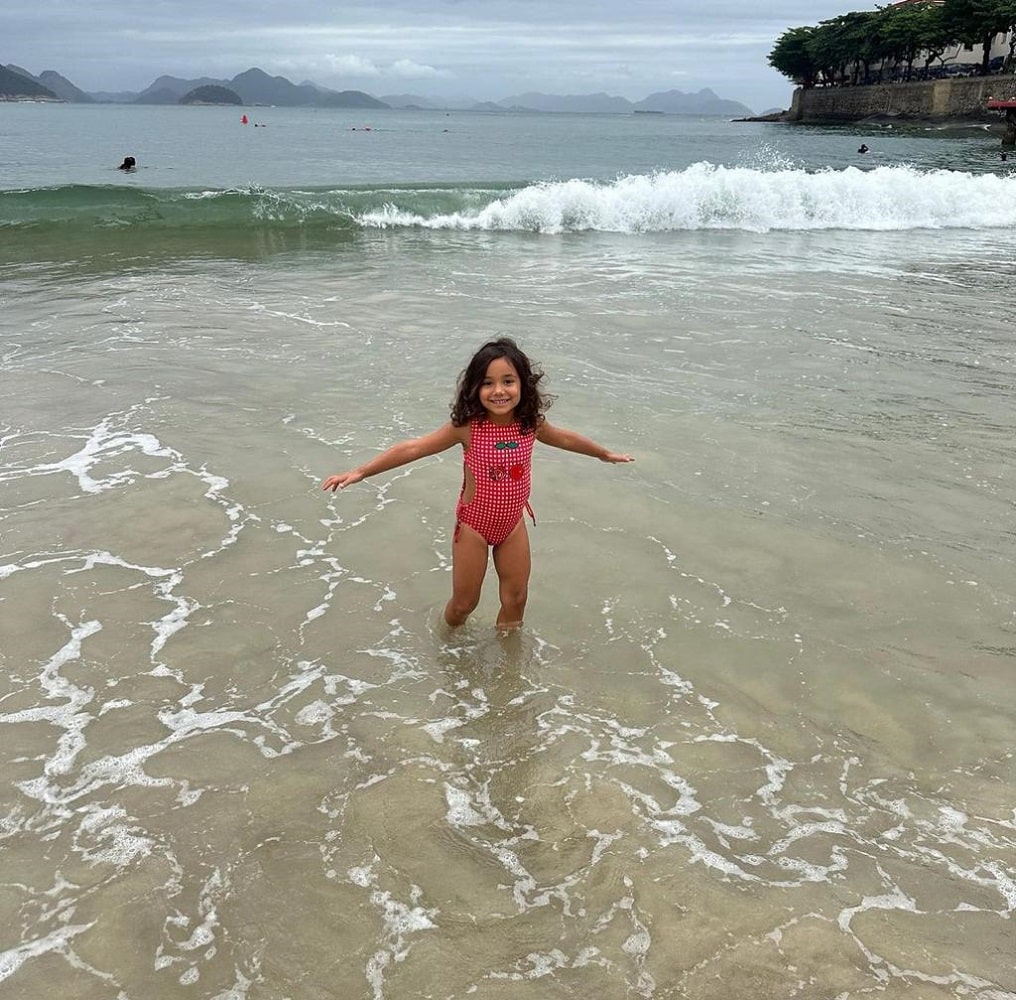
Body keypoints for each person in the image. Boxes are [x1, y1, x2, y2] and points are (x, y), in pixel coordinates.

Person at [322, 337, 633, 631]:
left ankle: (507, 670)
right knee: (463, 604)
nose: (499, 391)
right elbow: (414, 448)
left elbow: (564, 437)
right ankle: (449, 648)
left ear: (523, 383)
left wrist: (602, 454)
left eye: (508, 381)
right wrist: (361, 472)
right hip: (473, 526)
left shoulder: (530, 424)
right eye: (488, 383)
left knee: (517, 598)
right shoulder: (468, 428)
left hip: (512, 524)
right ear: (475, 388)